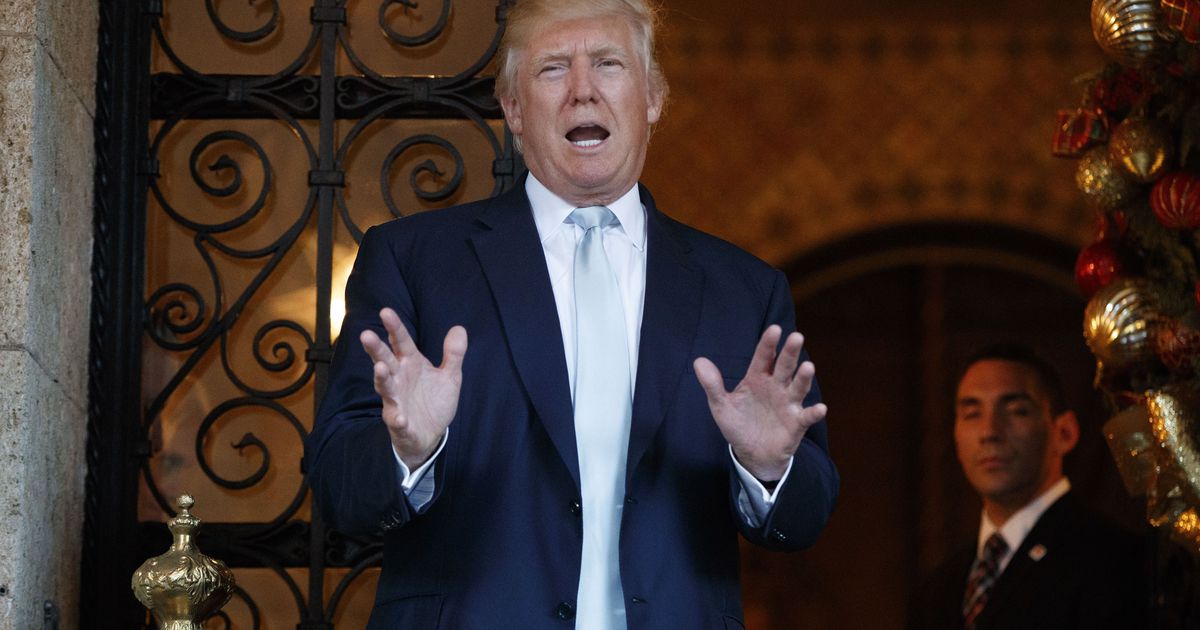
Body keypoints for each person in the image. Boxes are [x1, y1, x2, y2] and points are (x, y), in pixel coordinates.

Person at [304, 0, 839, 628]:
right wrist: (408, 452)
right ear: (513, 109)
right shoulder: (413, 261)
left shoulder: (743, 288)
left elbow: (807, 516)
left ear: (653, 99)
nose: (583, 91)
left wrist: (768, 469)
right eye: (553, 68)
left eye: (609, 64)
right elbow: (338, 486)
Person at [910, 344, 1145, 630]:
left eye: (1016, 411)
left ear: (1064, 432)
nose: (989, 432)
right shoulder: (940, 586)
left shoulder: (1112, 561)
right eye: (972, 414)